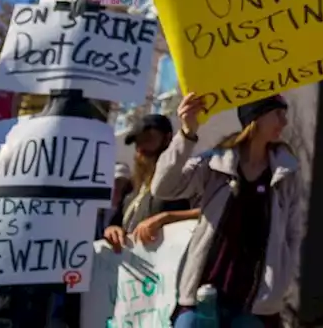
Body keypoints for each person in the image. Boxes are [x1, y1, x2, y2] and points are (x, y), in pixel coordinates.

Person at [153, 93, 301, 328]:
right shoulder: (215, 163)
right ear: (256, 118)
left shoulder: (286, 172)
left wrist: (281, 281)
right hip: (204, 292)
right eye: (278, 114)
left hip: (255, 303)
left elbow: (293, 234)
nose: (284, 122)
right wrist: (186, 134)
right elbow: (163, 187)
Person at [103, 114, 200, 253]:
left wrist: (166, 218)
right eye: (137, 143)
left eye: (148, 140)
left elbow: (210, 211)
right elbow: (116, 222)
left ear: (167, 139)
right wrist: (112, 230)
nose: (141, 149)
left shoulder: (187, 175)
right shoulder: (133, 186)